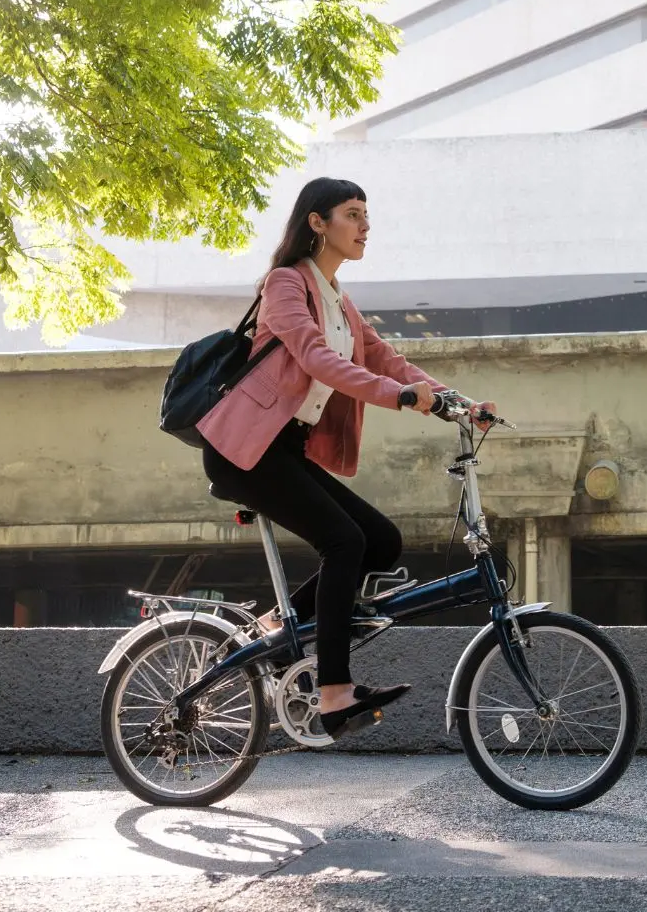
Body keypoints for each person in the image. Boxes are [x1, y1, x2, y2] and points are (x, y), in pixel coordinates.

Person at [195, 176, 498, 740]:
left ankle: (271, 629)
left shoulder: (338, 298)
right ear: (318, 222)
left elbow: (387, 358)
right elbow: (312, 357)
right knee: (344, 542)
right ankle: (334, 691)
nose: (365, 226)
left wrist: (455, 401)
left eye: (367, 215)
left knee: (380, 541)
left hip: (282, 450)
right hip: (243, 450)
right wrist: (398, 398)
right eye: (353, 214)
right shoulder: (285, 285)